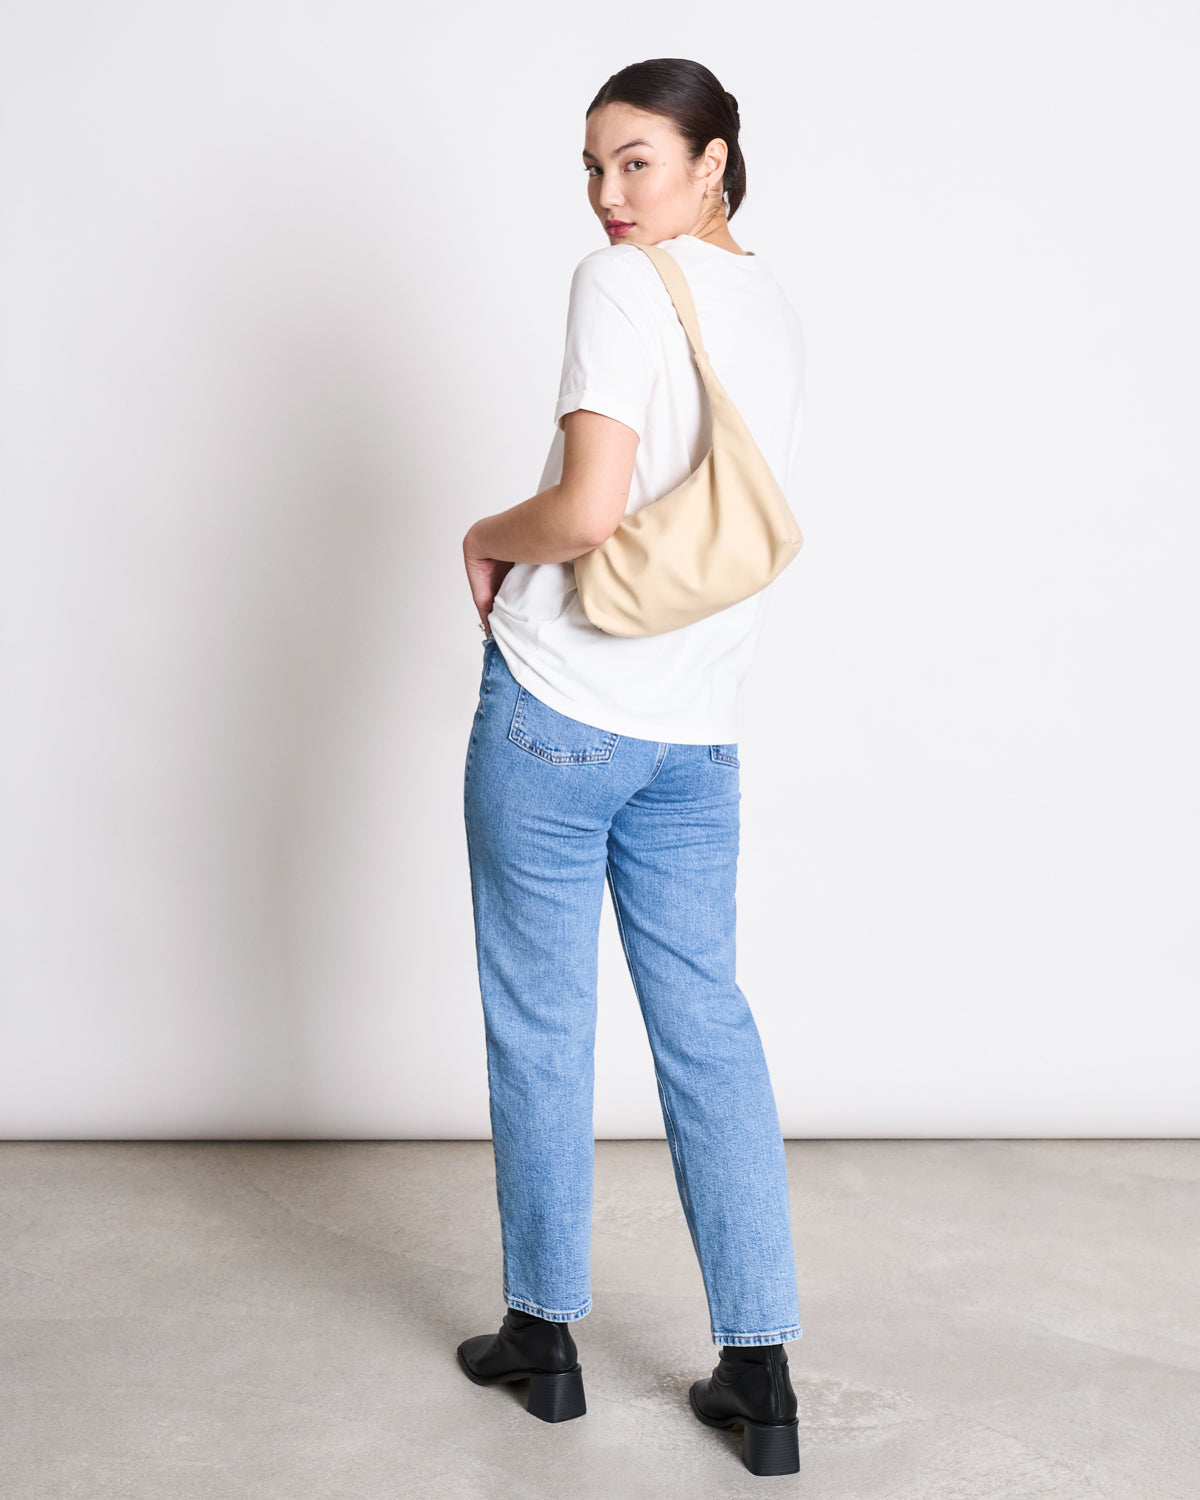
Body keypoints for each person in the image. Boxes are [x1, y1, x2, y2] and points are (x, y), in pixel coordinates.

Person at [455, 58, 806, 1477]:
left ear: (715, 158)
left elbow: (590, 508)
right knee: (710, 1031)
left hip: (556, 706)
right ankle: (760, 1373)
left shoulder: (619, 286)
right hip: (695, 729)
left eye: (640, 162)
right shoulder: (767, 304)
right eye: (593, 167)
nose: (609, 196)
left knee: (543, 1026)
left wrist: (484, 533)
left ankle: (543, 1346)